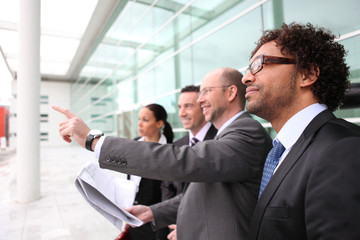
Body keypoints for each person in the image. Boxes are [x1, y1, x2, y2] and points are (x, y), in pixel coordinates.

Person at [52, 67, 272, 240]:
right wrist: (153, 212)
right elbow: (204, 194)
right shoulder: (226, 137)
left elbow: (181, 161)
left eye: (206, 91)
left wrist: (96, 141)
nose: (200, 99)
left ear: (231, 92)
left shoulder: (247, 133)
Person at [241, 22, 360, 240]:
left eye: (259, 64)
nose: (246, 78)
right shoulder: (280, 153)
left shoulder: (343, 150)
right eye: (248, 68)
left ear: (307, 74)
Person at [126, 85, 218, 240]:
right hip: (167, 226)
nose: (182, 113)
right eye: (180, 107)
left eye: (188, 106)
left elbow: (215, 197)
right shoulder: (178, 145)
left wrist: (186, 224)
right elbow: (167, 186)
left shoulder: (219, 141)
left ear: (204, 106)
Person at [119, 103, 172, 240]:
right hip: (134, 217)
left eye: (145, 120)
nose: (139, 124)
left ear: (159, 123)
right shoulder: (135, 143)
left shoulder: (170, 151)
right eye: (139, 119)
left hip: (157, 221)